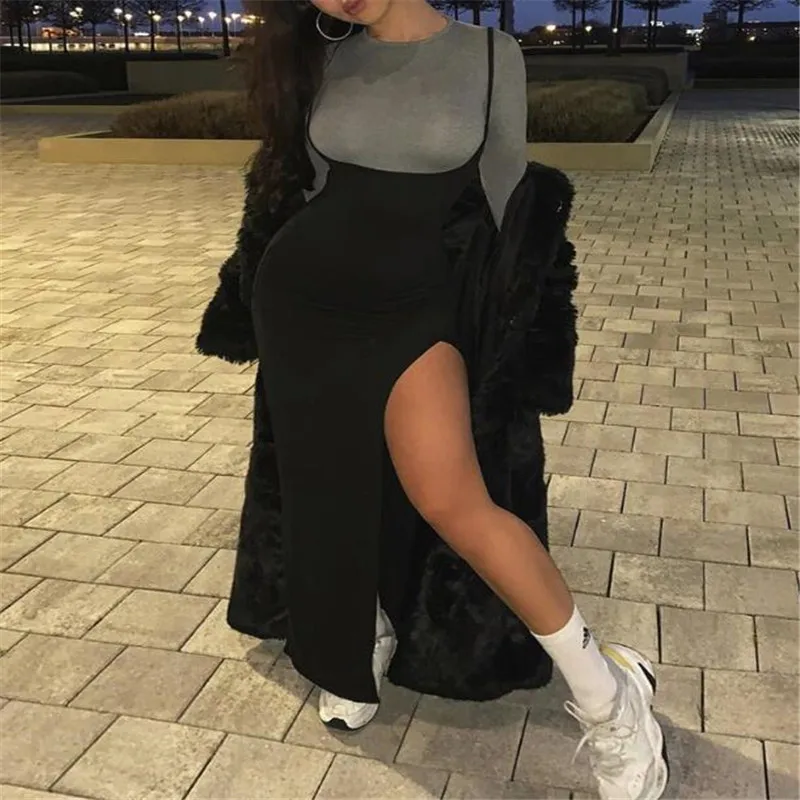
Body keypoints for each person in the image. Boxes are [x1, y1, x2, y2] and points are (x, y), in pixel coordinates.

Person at [197, 1, 668, 798]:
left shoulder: (489, 54)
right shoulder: (325, 56)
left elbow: (509, 205)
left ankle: (611, 699)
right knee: (324, 491)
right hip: (303, 306)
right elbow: (305, 185)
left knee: (456, 502)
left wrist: (513, 337)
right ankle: (353, 641)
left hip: (415, 311)